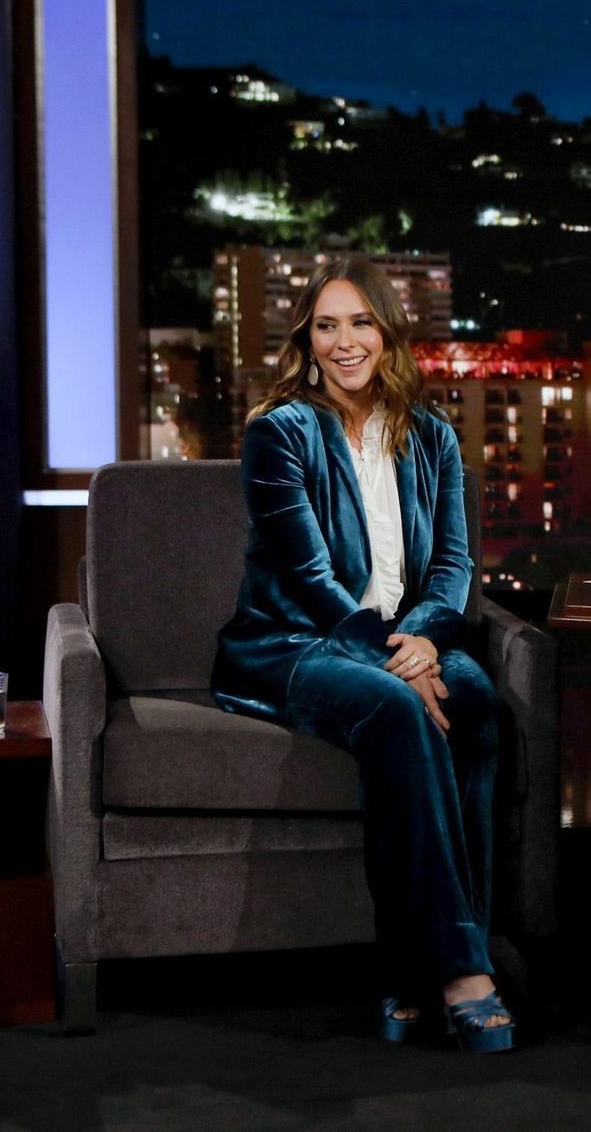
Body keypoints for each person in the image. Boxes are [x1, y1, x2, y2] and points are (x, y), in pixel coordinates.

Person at [211, 256, 514, 1053]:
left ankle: (414, 968)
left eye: (360, 323)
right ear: (307, 341)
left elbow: (452, 565)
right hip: (292, 644)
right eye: (326, 326)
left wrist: (425, 643)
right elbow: (308, 579)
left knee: (476, 698)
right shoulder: (279, 432)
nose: (345, 342)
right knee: (394, 708)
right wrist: (395, 661)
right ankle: (463, 972)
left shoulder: (432, 436)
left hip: (404, 639)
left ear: (387, 334)